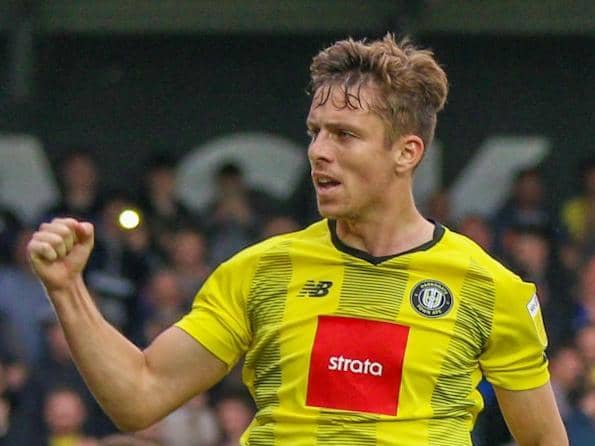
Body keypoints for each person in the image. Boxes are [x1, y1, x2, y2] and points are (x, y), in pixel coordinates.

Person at [27, 34, 567, 445]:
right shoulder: (260, 271)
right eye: (315, 131)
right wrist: (68, 288)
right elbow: (139, 396)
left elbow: (543, 439)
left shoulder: (489, 288)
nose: (318, 152)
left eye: (345, 135)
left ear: (407, 152)